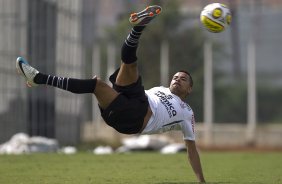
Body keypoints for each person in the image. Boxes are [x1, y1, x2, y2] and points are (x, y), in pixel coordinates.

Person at [16, 5, 205, 183]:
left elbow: (191, 150)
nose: (177, 79)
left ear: (189, 89)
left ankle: (137, 29)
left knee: (113, 81)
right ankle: (38, 78)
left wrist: (201, 180)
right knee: (112, 74)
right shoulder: (160, 89)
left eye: (183, 79)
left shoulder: (187, 114)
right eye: (175, 76)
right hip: (131, 100)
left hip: (136, 118)